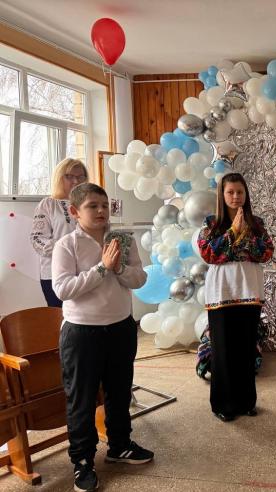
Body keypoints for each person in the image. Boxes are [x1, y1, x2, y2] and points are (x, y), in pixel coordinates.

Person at [52, 183, 151, 492]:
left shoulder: (123, 239)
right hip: (82, 333)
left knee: (119, 392)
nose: (101, 211)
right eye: (92, 206)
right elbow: (63, 289)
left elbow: (140, 278)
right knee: (81, 400)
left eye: (105, 205)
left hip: (121, 327)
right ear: (74, 211)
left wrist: (118, 267)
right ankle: (83, 461)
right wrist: (102, 268)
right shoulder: (66, 245)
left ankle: (120, 446)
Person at [197, 173, 273, 422]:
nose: (236, 196)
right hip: (221, 293)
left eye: (240, 192)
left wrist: (243, 237)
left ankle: (246, 401)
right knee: (223, 351)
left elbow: (266, 252)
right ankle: (223, 404)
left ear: (246, 194)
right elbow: (209, 254)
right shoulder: (211, 223)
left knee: (246, 349)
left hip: (249, 291)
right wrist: (232, 232)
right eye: (230, 192)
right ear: (222, 195)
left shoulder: (257, 223)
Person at [30, 158, 88, 307]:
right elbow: (37, 239)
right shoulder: (48, 204)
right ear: (59, 178)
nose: (76, 181)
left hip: (86, 273)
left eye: (80, 177)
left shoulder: (90, 204)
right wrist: (65, 249)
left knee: (86, 315)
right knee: (60, 317)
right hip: (55, 273)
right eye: (69, 176)